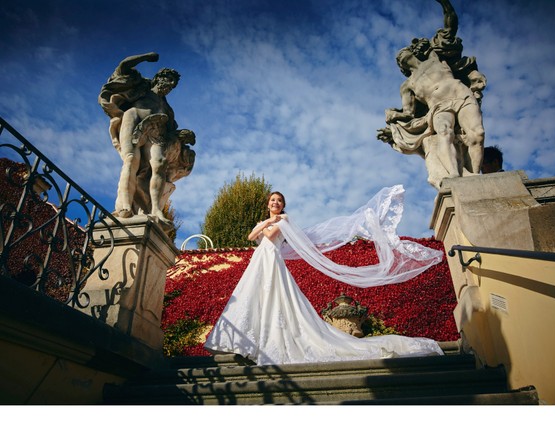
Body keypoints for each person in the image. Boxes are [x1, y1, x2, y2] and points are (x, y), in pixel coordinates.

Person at [204, 186, 445, 365]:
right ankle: (246, 341)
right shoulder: (268, 218)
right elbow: (250, 237)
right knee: (253, 297)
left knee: (275, 297)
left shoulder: (285, 219)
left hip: (272, 260)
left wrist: (267, 223)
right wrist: (266, 221)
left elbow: (267, 236)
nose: (275, 203)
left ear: (282, 205)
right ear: (268, 204)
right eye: (272, 200)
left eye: (278, 201)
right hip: (259, 261)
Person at [98, 52, 194, 222]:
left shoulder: (167, 109)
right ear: (159, 78)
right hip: (134, 119)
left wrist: (182, 136)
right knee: (131, 159)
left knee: (159, 164)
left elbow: (171, 133)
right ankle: (125, 204)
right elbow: (123, 67)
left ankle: (156, 210)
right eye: (168, 80)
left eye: (173, 85)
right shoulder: (142, 86)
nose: (170, 85)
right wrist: (145, 57)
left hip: (156, 132)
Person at [381, 38, 485, 188]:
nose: (402, 56)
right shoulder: (407, 85)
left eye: (404, 53)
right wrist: (394, 116)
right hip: (438, 106)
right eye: (400, 59)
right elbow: (408, 113)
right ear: (402, 66)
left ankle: (474, 177)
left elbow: (447, 36)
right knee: (444, 132)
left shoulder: (434, 58)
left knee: (477, 134)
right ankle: (454, 174)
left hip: (460, 93)